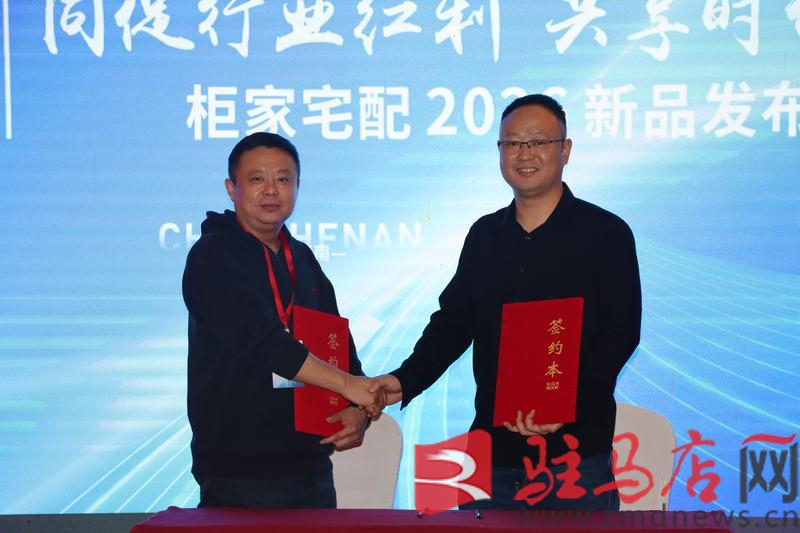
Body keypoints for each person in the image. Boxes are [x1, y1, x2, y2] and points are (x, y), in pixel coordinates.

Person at [371, 94, 642, 510]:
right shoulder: (484, 235)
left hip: (575, 461)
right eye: (512, 143)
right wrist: (405, 379)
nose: (524, 153)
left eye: (538, 141)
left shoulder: (606, 234)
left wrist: (567, 405)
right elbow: (453, 324)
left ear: (565, 150)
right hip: (491, 457)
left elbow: (620, 334)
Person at [182, 132, 381, 509]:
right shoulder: (213, 256)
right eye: (257, 179)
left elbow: (338, 345)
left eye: (284, 179)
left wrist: (358, 411)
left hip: (311, 465)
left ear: (298, 186)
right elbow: (263, 341)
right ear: (231, 188)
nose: (271, 190)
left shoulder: (301, 257)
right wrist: (348, 384)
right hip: (240, 474)